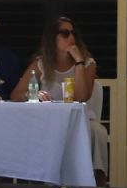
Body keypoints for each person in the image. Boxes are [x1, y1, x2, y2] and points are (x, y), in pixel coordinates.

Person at [14, 15, 110, 179]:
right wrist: (34, 94)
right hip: (50, 122)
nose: (71, 37)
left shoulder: (88, 64)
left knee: (97, 131)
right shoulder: (41, 64)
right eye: (65, 34)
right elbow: (16, 94)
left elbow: (81, 96)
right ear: (53, 38)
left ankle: (97, 185)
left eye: (73, 33)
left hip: (81, 121)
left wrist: (79, 62)